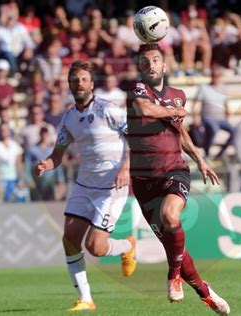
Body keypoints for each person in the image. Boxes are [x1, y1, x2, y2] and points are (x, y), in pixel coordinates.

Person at [126, 43, 230, 315]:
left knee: (171, 216)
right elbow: (146, 110)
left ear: (164, 65)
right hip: (143, 179)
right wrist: (175, 112)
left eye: (156, 60)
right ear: (140, 66)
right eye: (145, 61)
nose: (151, 65)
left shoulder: (178, 95)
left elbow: (180, 133)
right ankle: (204, 292)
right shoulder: (137, 91)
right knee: (173, 246)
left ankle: (172, 277)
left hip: (174, 169)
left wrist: (200, 160)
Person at [34, 60, 137, 312]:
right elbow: (57, 154)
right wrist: (46, 164)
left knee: (96, 247)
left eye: (83, 79)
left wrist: (125, 168)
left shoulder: (107, 109)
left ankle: (128, 246)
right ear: (69, 84)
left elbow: (135, 137)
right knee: (69, 240)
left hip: (112, 186)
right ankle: (86, 299)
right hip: (85, 185)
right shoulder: (69, 117)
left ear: (92, 84)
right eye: (74, 79)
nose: (78, 83)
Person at [192, 66, 235, 160]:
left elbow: (225, 102)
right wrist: (195, 118)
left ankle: (220, 153)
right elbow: (196, 102)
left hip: (221, 118)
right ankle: (207, 152)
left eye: (217, 76)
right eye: (214, 76)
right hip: (207, 117)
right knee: (214, 129)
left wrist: (227, 111)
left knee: (235, 131)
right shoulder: (204, 88)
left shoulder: (223, 87)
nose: (216, 78)